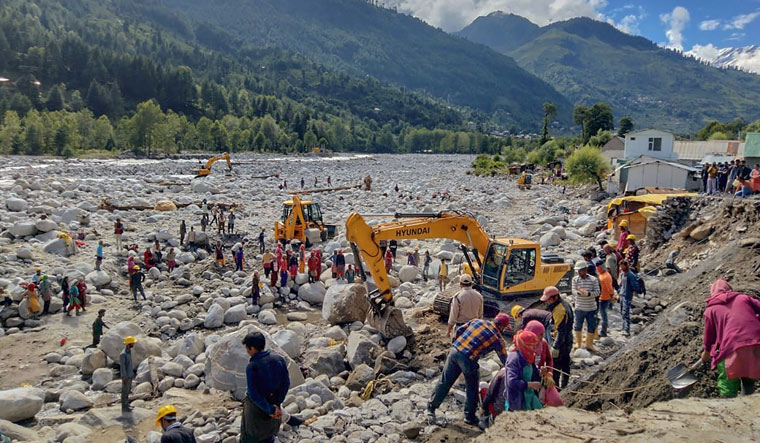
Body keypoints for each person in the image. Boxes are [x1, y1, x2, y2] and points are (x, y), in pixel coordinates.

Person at [427, 314, 510, 427]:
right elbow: (505, 360)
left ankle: (431, 408)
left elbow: (459, 330)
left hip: (455, 351)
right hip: (468, 359)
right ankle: (469, 417)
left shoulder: (477, 321)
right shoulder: (497, 338)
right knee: (472, 388)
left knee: (445, 381)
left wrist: (456, 343)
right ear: (502, 327)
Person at [702, 279, 760, 397]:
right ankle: (748, 401)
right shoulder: (744, 298)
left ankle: (728, 404)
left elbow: (709, 335)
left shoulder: (710, 310)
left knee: (728, 381)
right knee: (748, 374)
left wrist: (706, 352)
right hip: (755, 342)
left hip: (731, 347)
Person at [241, 331, 290, 443]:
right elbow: (286, 384)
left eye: (247, 348)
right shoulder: (279, 359)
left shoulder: (252, 366)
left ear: (252, 348)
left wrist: (270, 409)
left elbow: (253, 393)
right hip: (274, 404)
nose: (247, 351)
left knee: (250, 437)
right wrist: (276, 404)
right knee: (269, 435)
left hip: (256, 409)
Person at [541, 286, 573, 389]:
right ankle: (565, 387)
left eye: (548, 300)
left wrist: (555, 346)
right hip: (568, 339)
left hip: (562, 342)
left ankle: (558, 390)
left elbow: (560, 331)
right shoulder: (564, 304)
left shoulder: (559, 310)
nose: (547, 302)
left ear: (555, 297)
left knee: (556, 368)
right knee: (566, 364)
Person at [504, 329, 542, 412]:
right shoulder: (514, 359)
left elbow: (533, 373)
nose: (535, 349)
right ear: (525, 345)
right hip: (518, 400)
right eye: (532, 346)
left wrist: (540, 373)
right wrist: (529, 384)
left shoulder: (529, 356)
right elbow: (511, 382)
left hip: (529, 396)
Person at [572, 260, 600, 351]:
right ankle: (578, 343)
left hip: (591, 307)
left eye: (580, 270)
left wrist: (588, 294)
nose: (579, 272)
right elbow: (573, 290)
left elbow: (597, 292)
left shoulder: (593, 280)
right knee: (577, 325)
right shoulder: (575, 279)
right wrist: (579, 293)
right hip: (579, 307)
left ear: (585, 270)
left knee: (591, 325)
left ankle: (589, 344)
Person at [618, 260, 639, 337]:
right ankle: (623, 328)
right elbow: (620, 285)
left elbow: (635, 286)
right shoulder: (622, 274)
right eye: (620, 266)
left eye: (622, 266)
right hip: (622, 294)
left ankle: (626, 330)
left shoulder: (630, 275)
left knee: (625, 312)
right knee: (622, 312)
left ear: (626, 266)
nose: (621, 268)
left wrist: (633, 291)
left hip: (627, 296)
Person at [596, 261, 615, 337]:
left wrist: (611, 296)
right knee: (601, 313)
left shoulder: (606, 276)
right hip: (601, 297)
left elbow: (610, 288)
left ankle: (603, 331)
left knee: (603, 314)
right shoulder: (602, 275)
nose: (597, 269)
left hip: (604, 298)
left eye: (598, 268)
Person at [121, 336, 137, 412]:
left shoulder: (129, 352)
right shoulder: (123, 354)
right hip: (126, 376)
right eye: (132, 343)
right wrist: (125, 377)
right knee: (124, 391)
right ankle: (124, 407)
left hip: (130, 374)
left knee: (128, 391)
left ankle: (127, 404)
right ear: (129, 344)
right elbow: (123, 367)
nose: (133, 344)